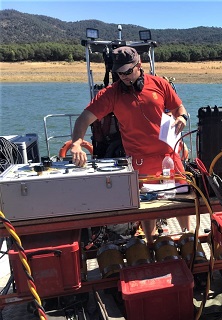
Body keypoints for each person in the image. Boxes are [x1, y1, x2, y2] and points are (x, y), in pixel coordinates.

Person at [70, 46, 190, 244]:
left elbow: (179, 108)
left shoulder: (159, 84)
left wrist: (182, 118)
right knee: (148, 206)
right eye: (119, 73)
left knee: (181, 200)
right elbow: (83, 119)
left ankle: (187, 240)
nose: (124, 77)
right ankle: (152, 245)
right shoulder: (111, 94)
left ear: (139, 65)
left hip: (170, 157)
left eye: (128, 71)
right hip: (141, 161)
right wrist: (75, 144)